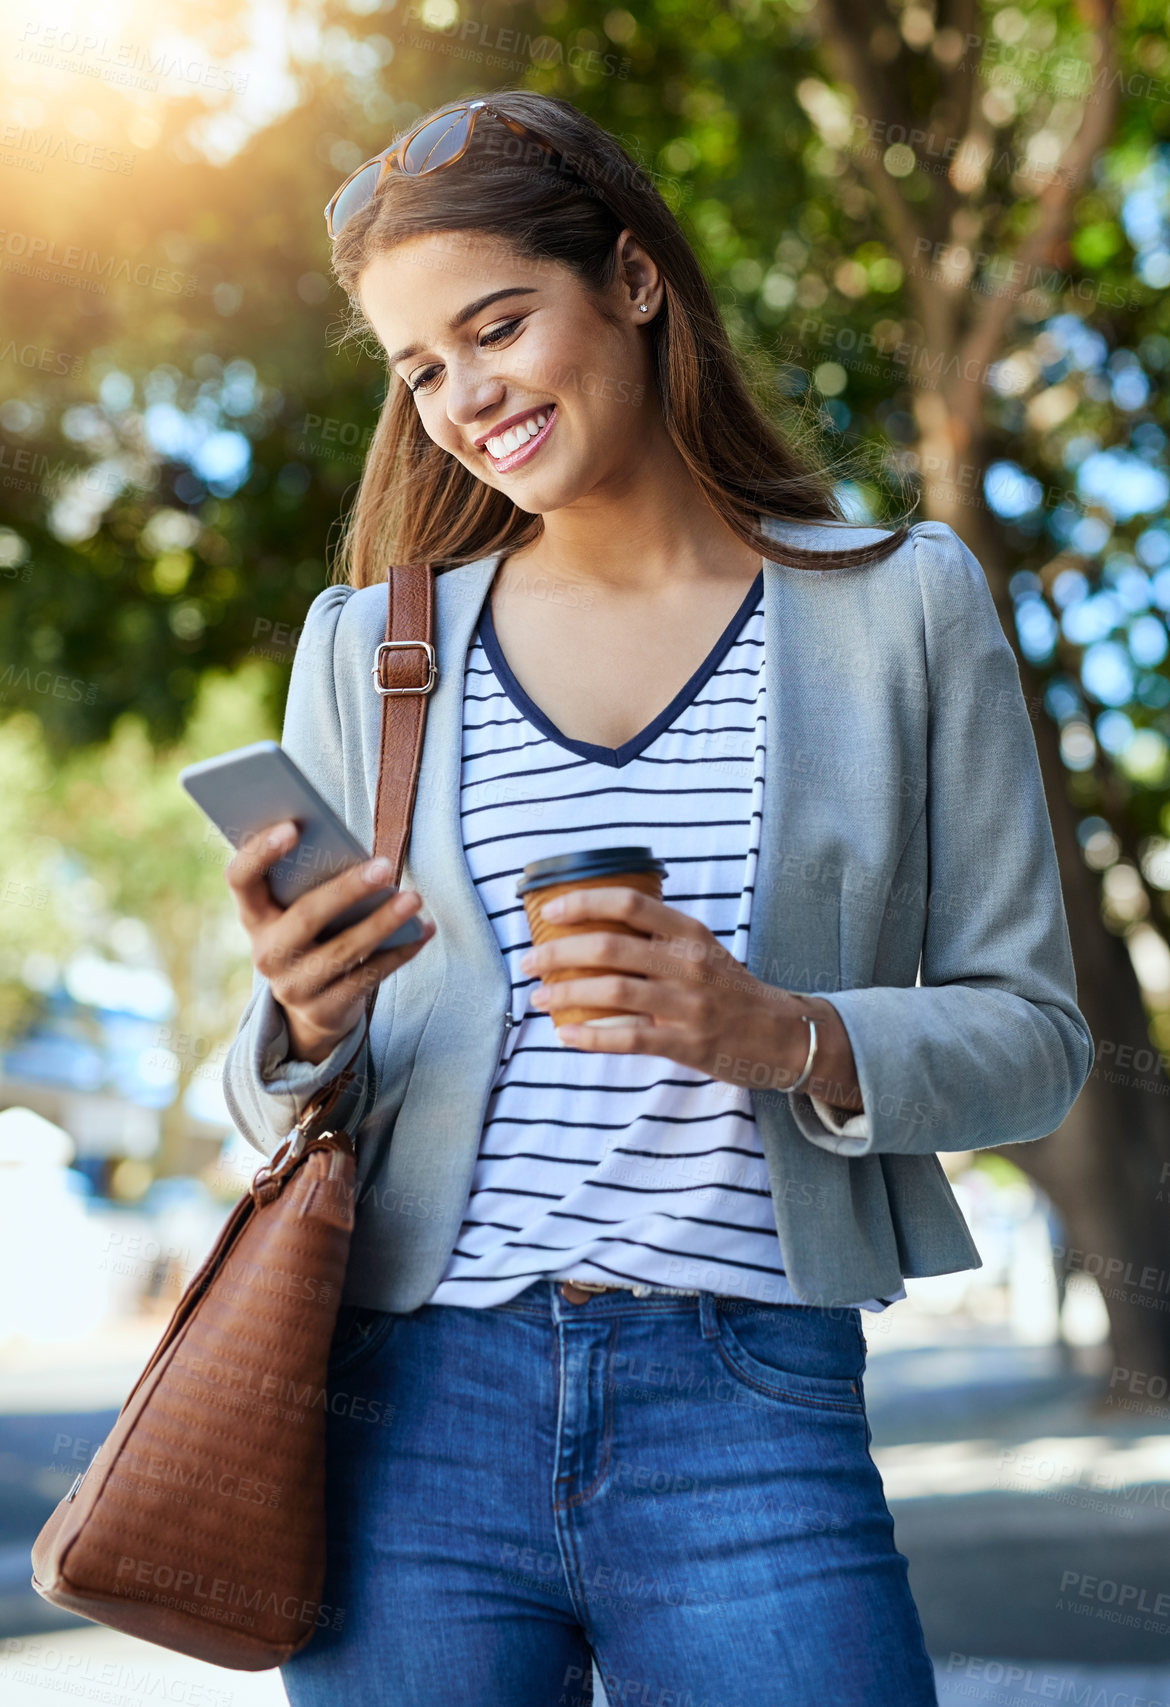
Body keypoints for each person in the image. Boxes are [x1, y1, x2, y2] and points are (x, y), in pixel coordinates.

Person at [220, 90, 1093, 1707]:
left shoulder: (896, 606)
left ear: (632, 280)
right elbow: (257, 1089)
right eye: (421, 370)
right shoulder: (373, 647)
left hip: (745, 1400)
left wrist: (786, 1035)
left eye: (497, 327)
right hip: (407, 1407)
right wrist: (296, 1014)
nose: (467, 400)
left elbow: (1033, 1039)